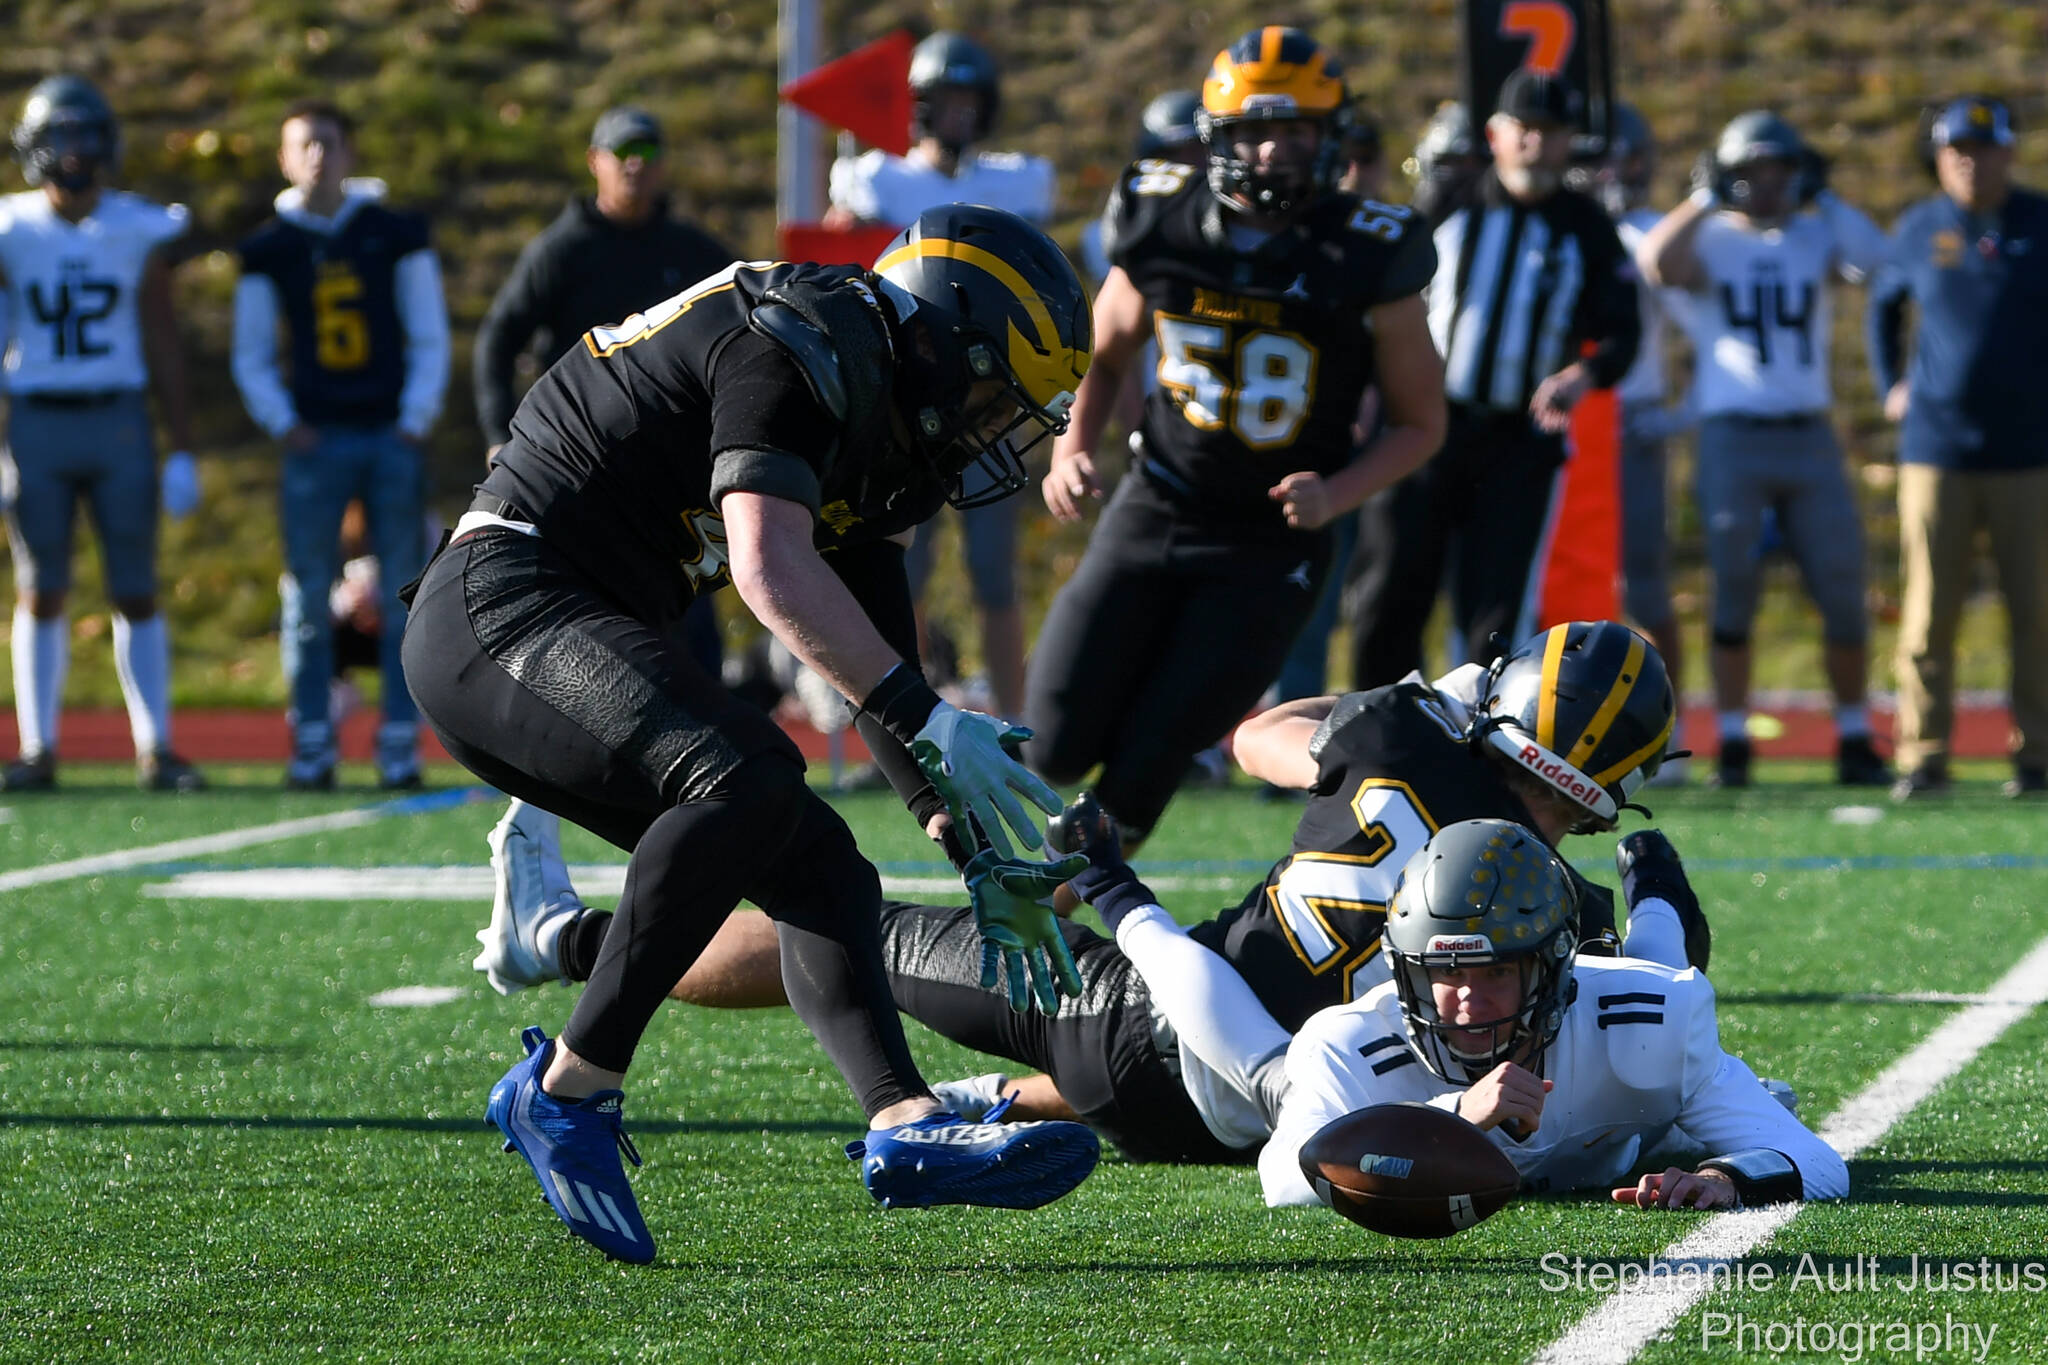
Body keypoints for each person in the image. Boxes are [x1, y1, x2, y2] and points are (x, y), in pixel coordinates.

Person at [403, 204, 1104, 1263]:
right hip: (499, 605)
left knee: (823, 867)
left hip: (569, 619)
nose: (983, 427)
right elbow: (769, 570)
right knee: (747, 775)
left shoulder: (882, 406)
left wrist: (964, 843)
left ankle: (904, 1122)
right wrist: (930, 720)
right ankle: (569, 1090)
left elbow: (866, 645)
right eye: (988, 392)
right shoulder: (793, 338)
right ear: (935, 335)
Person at [474, 620, 1699, 1166]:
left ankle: (566, 937)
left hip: (1143, 1020)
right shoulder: (1549, 909)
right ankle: (993, 1103)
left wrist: (1378, 728)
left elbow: (1262, 735)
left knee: (845, 918)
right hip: (1257, 1122)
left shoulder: (1391, 734)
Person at [1032, 26, 1445, 852]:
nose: (1276, 151)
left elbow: (1421, 424)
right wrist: (1069, 444)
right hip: (1157, 504)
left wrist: (1338, 492)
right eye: (1258, 130)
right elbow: (1104, 358)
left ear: (1332, 139)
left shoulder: (1369, 249)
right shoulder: (1161, 219)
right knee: (1051, 740)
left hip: (1268, 543)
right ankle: (1003, 877)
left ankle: (1062, 904)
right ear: (1218, 137)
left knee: (1153, 752)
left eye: (1298, 131)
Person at [1258, 817, 1848, 1210]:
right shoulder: (1352, 1042)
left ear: (1549, 968)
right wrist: (1452, 1116)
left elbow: (1822, 1167)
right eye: (1446, 973)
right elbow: (1285, 1179)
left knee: (1660, 966)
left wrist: (1725, 1177)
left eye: (1494, 972)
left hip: (1629, 1116)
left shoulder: (1651, 1019)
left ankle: (1655, 882)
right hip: (1608, 1121)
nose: (1467, 998)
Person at [1348, 72, 1639, 692]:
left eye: (1552, 132)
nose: (1536, 144)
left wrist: (1580, 374)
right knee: (1392, 585)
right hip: (1424, 425)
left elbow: (1623, 331)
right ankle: (1370, 728)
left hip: (1517, 441)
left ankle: (1481, 745)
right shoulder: (1450, 202)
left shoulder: (1584, 225)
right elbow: (1381, 295)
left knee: (1495, 608)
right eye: (1525, 129)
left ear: (1568, 143)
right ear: (1495, 134)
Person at [1636, 111, 1891, 789]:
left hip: (1809, 433)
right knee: (1733, 591)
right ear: (1727, 176)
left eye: (1778, 170)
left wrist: (1827, 197)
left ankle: (1855, 732)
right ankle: (1733, 736)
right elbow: (1657, 263)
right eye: (1750, 172)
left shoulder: (1814, 233)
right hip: (1733, 435)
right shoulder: (1714, 237)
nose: (1767, 185)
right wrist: (1701, 197)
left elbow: (1876, 262)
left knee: (1841, 586)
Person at [828, 31, 1055, 721]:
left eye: (967, 101)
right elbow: (841, 269)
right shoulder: (876, 181)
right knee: (901, 572)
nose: (957, 115)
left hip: (985, 401)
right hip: (901, 400)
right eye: (944, 101)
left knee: (993, 576)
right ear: (919, 107)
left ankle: (1016, 726)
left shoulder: (1014, 179)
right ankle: (914, 717)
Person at [232, 98, 450, 790]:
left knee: (400, 598)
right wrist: (282, 422)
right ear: (285, 158)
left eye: (329, 142)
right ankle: (313, 742)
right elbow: (253, 353)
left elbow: (428, 331)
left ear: (349, 153)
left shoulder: (393, 232)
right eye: (305, 144)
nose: (318, 155)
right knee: (305, 596)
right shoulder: (271, 247)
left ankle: (396, 742)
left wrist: (415, 415)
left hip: (388, 431)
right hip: (315, 439)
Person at [0, 75, 204, 793]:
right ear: (33, 147)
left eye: (86, 134)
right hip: (36, 419)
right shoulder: (10, 227)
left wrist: (181, 444)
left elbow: (162, 336)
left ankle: (155, 746)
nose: (75, 151)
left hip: (117, 417)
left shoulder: (137, 227)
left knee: (136, 586)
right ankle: (38, 748)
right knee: (40, 587)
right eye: (60, 135)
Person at [1867, 96, 2048, 801]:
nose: (1970, 161)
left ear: (2010, 151)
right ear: (1940, 159)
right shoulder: (1919, 227)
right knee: (1928, 609)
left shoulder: (2040, 221)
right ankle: (1924, 753)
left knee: (2034, 611)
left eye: (1982, 147)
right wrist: (1892, 384)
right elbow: (1883, 306)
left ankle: (2036, 754)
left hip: (2030, 451)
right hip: (1935, 449)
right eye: (1956, 151)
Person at [1570, 103, 1691, 783]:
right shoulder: (1560, 229)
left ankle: (1666, 728)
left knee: (1643, 583)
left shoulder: (1644, 234)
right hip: (1562, 420)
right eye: (1596, 157)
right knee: (1568, 587)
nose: (1607, 172)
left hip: (1631, 416)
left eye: (1618, 156)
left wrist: (1679, 411)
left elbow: (1703, 327)